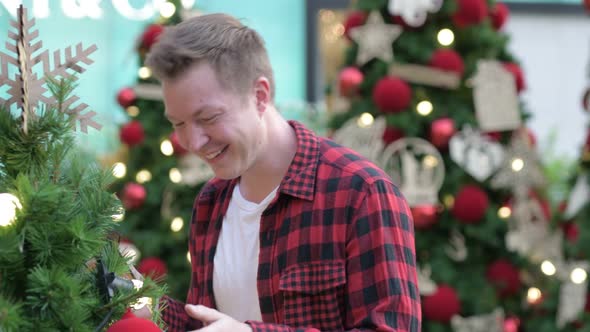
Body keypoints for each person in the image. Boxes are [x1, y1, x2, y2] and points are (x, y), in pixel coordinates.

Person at [143, 13, 420, 332]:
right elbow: (206, 324)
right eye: (178, 123)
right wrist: (142, 307)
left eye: (208, 118)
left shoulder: (361, 192)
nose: (192, 142)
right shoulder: (211, 201)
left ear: (259, 96)